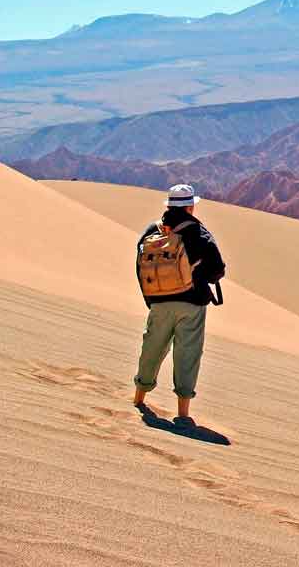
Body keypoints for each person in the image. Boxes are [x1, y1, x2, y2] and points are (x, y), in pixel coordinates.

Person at [132, 183, 225, 428]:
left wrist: (152, 299)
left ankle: (139, 398)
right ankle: (183, 414)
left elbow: (140, 266)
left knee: (152, 347)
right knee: (187, 354)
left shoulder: (154, 230)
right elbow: (217, 270)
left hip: (159, 303)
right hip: (192, 305)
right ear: (190, 207)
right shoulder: (199, 233)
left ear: (169, 206)